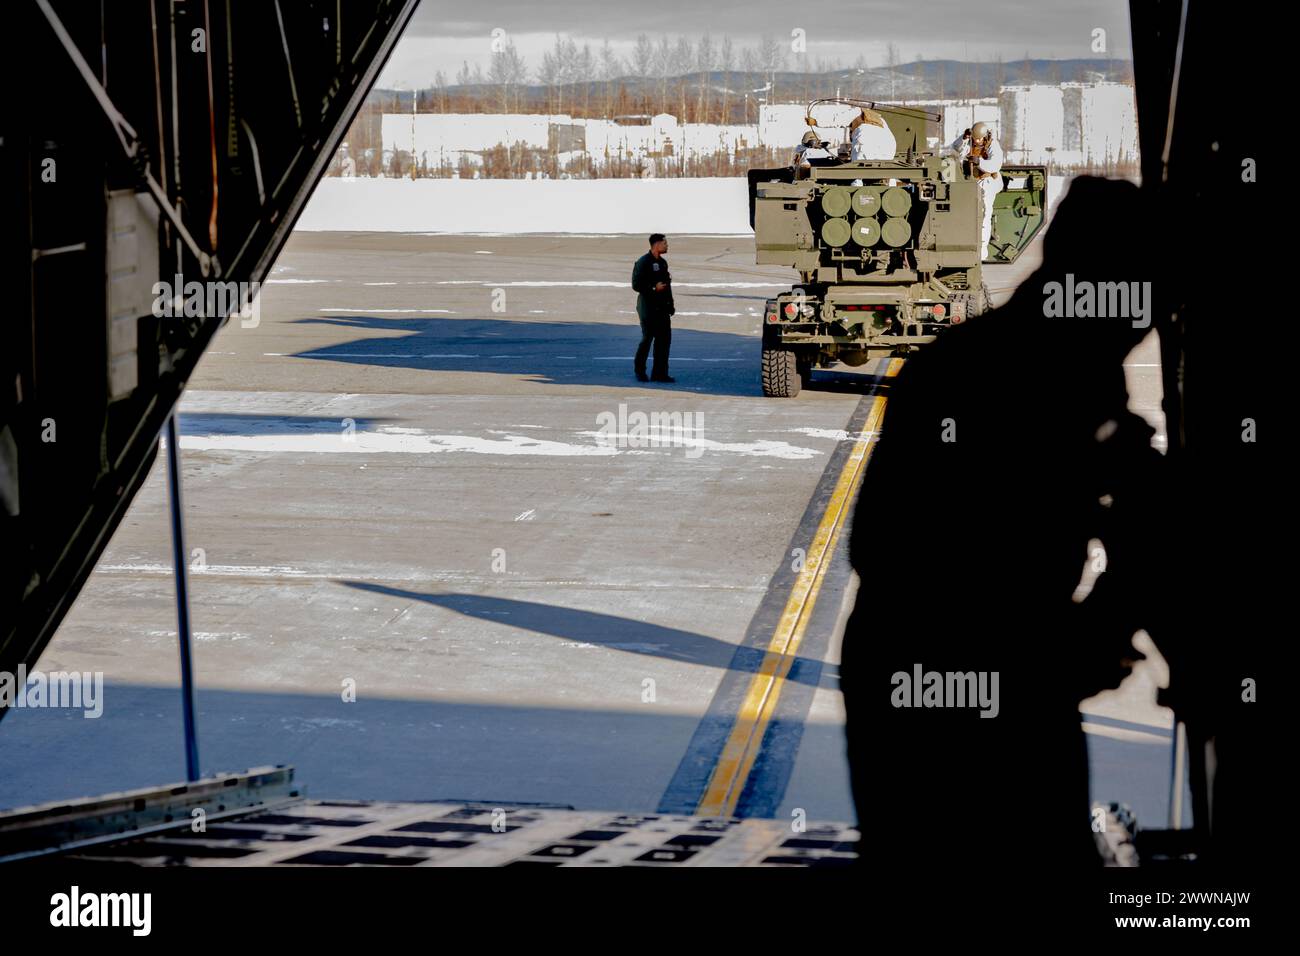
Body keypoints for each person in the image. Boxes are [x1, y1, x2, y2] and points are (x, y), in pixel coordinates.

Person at [951, 121, 1004, 258]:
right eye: (975, 138)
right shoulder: (969, 141)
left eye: (979, 138)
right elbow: (955, 148)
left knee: (984, 214)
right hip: (970, 182)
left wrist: (979, 161)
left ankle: (982, 252)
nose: (977, 141)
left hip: (987, 182)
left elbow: (995, 165)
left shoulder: (993, 145)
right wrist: (964, 138)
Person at [631, 234, 675, 383]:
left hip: (662, 309)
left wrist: (670, 305)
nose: (667, 246)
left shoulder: (662, 263)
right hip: (648, 309)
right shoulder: (643, 262)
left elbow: (667, 287)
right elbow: (636, 285)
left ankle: (660, 373)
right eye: (665, 243)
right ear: (656, 245)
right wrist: (653, 288)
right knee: (647, 340)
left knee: (664, 342)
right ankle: (640, 371)